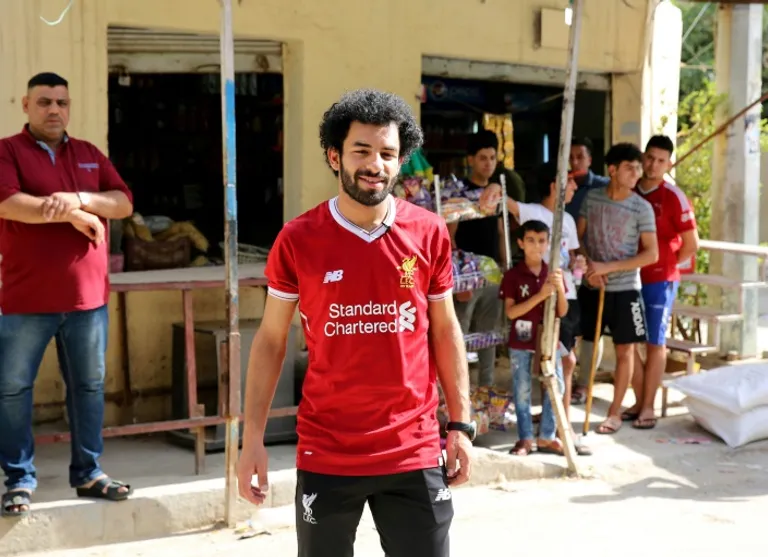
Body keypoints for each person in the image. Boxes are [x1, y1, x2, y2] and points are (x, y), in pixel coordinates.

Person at [237, 89, 474, 557]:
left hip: (414, 450)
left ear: (401, 160)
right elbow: (270, 341)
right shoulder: (298, 239)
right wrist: (252, 441)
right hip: (327, 452)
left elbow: (446, 331)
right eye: (361, 151)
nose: (375, 165)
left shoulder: (429, 232)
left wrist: (460, 425)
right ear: (334, 156)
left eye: (387, 153)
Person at [0, 72, 134, 517]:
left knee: (88, 387)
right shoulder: (7, 151)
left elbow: (123, 202)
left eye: (61, 102)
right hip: (26, 300)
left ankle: (89, 473)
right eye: (44, 102)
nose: (54, 110)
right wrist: (73, 215)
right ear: (26, 105)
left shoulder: (89, 154)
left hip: (88, 301)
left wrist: (78, 199)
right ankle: (19, 480)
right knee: (13, 390)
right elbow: (7, 203)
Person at [505, 163, 590, 455]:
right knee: (531, 379)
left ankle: (551, 431)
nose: (538, 245)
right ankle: (535, 435)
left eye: (542, 241)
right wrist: (493, 186)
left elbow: (572, 257)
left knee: (562, 367)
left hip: (561, 304)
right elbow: (506, 201)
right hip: (530, 319)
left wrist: (577, 266)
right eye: (569, 181)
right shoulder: (534, 213)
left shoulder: (567, 220)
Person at [577, 143, 659, 435]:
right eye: (630, 168)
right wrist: (589, 269)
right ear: (612, 170)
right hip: (593, 286)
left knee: (626, 351)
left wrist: (606, 268)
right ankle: (576, 393)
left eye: (638, 168)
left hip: (626, 289)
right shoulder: (592, 198)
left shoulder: (642, 208)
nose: (637, 173)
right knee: (583, 342)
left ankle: (614, 413)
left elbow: (651, 254)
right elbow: (578, 238)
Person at [624, 135, 699, 429]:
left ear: (669, 164)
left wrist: (665, 263)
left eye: (661, 160)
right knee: (628, 342)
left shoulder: (674, 197)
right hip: (627, 278)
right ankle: (639, 400)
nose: (653, 165)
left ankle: (648, 407)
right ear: (642, 157)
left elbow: (692, 245)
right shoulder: (629, 190)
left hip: (660, 280)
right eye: (650, 158)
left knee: (655, 343)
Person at [499, 220, 567, 456]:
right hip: (521, 339)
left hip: (548, 338)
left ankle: (547, 436)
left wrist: (558, 289)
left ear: (548, 244)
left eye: (541, 241)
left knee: (556, 385)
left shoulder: (553, 273)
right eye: (530, 240)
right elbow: (511, 312)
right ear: (520, 243)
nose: (536, 246)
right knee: (522, 389)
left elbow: (562, 311)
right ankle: (525, 438)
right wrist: (540, 295)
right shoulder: (513, 275)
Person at [448, 130, 507, 387]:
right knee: (459, 336)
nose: (488, 163)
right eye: (482, 158)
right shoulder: (458, 193)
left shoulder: (497, 194)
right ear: (470, 159)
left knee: (488, 337)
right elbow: (449, 238)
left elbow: (501, 231)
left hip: (493, 275)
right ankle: (458, 393)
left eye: (492, 158)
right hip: (467, 278)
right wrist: (459, 281)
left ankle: (486, 393)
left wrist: (505, 269)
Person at [567, 137, 610, 405]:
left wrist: (595, 265)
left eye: (580, 156)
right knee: (570, 327)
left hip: (596, 266)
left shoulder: (604, 187)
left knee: (593, 329)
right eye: (570, 157)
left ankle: (584, 384)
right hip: (568, 267)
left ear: (590, 159)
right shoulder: (563, 184)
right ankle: (566, 382)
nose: (575, 162)